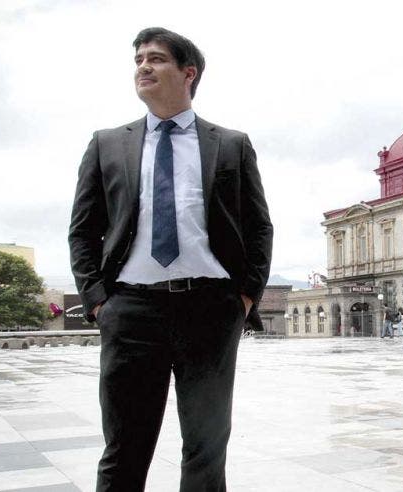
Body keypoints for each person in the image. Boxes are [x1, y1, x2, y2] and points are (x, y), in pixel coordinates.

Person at [68, 27, 273, 491]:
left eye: (156, 58)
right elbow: (83, 229)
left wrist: (244, 297)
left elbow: (258, 226)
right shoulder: (107, 144)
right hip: (131, 311)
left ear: (188, 73)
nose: (143, 66)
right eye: (138, 59)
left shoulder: (231, 144)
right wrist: (99, 301)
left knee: (205, 447)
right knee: (124, 446)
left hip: (209, 310)